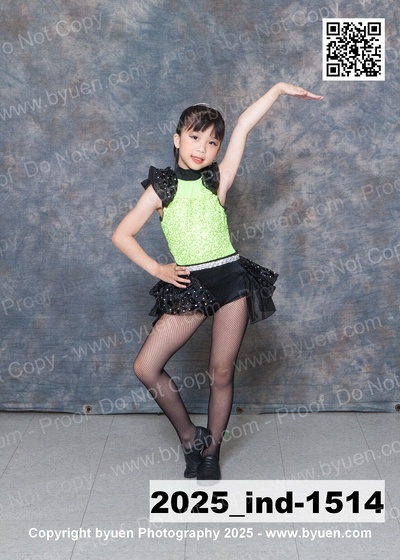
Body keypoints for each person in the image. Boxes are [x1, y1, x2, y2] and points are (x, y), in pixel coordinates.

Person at [112, 82, 323, 480]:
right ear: (177, 139)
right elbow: (122, 235)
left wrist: (277, 90)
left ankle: (211, 452)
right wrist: (158, 269)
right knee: (146, 367)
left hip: (230, 281)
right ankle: (191, 436)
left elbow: (243, 126)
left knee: (221, 372)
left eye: (212, 142)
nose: (202, 148)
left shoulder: (217, 179)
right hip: (190, 287)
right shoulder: (161, 188)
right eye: (195, 137)